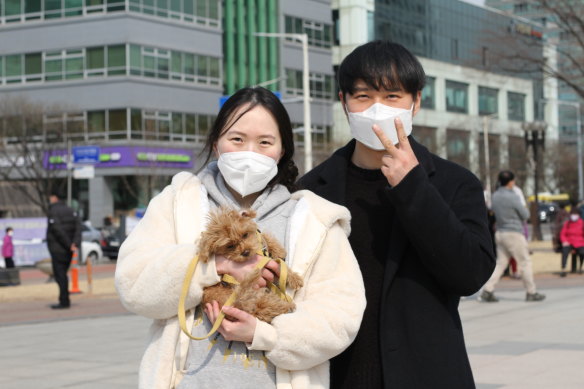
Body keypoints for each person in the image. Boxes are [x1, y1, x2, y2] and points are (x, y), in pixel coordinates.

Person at [115, 87, 366, 389]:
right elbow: (133, 283)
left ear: (282, 150)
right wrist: (213, 267)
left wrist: (263, 334)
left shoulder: (314, 218)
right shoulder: (177, 202)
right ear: (216, 144)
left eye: (265, 142)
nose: (250, 152)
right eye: (237, 139)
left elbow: (340, 316)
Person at [298, 40, 495, 388]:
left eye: (392, 96)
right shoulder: (310, 190)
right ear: (344, 102)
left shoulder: (454, 183)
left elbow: (470, 274)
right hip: (336, 374)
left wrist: (413, 187)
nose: (378, 109)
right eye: (363, 97)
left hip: (427, 373)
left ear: (415, 102)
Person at [481, 170, 545, 302]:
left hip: (500, 232)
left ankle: (487, 290)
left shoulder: (495, 196)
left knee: (500, 263)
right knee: (525, 262)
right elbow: (525, 215)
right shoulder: (513, 196)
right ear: (510, 182)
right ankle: (531, 292)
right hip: (514, 232)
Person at [46, 190, 81, 309]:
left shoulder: (53, 211)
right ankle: (64, 299)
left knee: (60, 275)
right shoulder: (71, 210)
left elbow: (57, 230)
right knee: (63, 275)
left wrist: (68, 244)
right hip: (69, 250)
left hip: (58, 248)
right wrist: (75, 243)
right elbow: (78, 228)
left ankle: (64, 301)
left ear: (55, 197)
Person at [558, 207, 584, 276]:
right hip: (569, 242)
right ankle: (563, 269)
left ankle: (580, 267)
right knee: (565, 251)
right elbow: (562, 234)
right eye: (572, 214)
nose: (574, 216)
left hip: (580, 242)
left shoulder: (582, 223)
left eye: (575, 214)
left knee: (582, 252)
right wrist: (564, 241)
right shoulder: (567, 223)